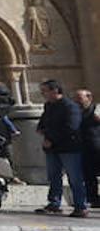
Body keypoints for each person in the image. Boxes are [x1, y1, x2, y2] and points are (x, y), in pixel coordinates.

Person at [35, 79, 89, 217]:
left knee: (75, 178)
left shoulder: (70, 106)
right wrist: (41, 129)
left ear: (55, 91)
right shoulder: (49, 106)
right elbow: (43, 121)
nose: (43, 94)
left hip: (68, 148)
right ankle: (54, 203)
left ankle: (80, 206)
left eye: (45, 91)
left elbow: (71, 127)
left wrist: (51, 139)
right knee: (53, 176)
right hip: (52, 148)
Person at [75, 88, 99, 209]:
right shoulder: (77, 112)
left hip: (97, 146)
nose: (77, 101)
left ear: (89, 98)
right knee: (89, 175)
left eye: (80, 98)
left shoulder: (97, 109)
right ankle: (93, 198)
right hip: (84, 147)